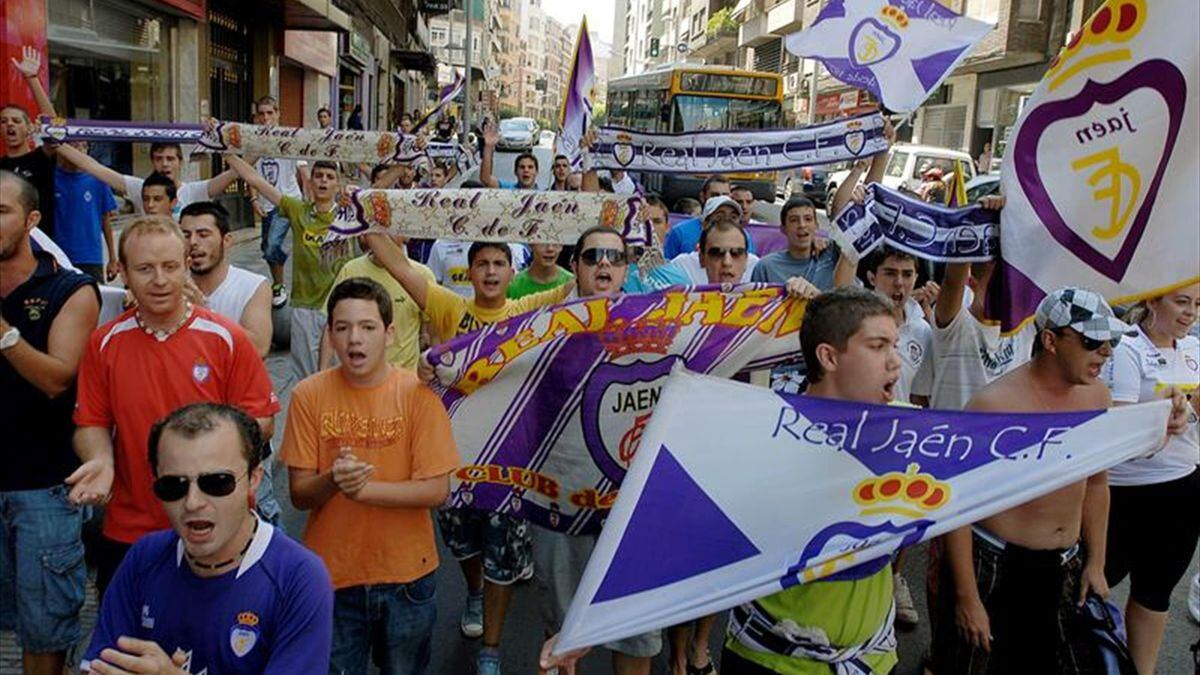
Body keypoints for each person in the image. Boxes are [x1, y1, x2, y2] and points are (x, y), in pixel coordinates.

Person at [540, 286, 903, 675]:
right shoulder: (762, 435)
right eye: (878, 346)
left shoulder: (915, 433)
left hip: (876, 661)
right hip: (770, 661)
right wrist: (588, 626)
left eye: (895, 345)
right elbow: (675, 536)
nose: (896, 363)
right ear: (829, 356)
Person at [932, 287, 1189, 674]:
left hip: (1064, 564)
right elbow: (958, 506)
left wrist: (1096, 562)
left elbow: (1097, 482)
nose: (1104, 353)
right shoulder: (995, 405)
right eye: (1091, 342)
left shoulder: (1096, 395)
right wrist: (968, 598)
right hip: (995, 565)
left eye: (1110, 342)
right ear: (1050, 340)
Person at [364, 232, 575, 675]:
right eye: (483, 264)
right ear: (470, 272)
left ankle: (492, 649)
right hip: (451, 458)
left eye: (500, 263)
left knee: (502, 554)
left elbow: (587, 287)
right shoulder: (449, 308)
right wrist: (368, 211)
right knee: (462, 542)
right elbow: (396, 263)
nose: (492, 272)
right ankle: (473, 592)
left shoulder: (524, 313)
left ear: (511, 273)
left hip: (508, 460)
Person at [69, 215, 280, 596]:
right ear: (123, 273)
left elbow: (262, 422)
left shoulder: (227, 338)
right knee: (128, 647)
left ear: (186, 266)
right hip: (130, 530)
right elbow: (91, 422)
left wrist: (207, 444)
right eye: (145, 269)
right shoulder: (104, 343)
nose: (160, 280)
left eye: (170, 266)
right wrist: (100, 460)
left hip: (217, 526)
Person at [282, 278, 458, 674]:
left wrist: (364, 490)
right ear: (329, 333)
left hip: (407, 574)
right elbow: (299, 493)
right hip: (330, 575)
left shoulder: (419, 394)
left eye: (367, 327)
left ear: (389, 332)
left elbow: (436, 490)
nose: (354, 340)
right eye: (342, 328)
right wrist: (332, 480)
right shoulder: (307, 395)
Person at [80, 403, 333, 674]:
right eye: (173, 486)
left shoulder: (298, 577)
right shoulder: (145, 558)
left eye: (217, 483)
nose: (193, 502)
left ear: (254, 479)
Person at [0, 169, 100, 675]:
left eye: (1, 211)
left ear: (31, 219)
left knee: (44, 634)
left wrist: (2, 330)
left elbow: (58, 379)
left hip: (43, 487)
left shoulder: (68, 288)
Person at [1099, 283, 1200, 674]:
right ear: (1153, 299)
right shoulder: (1127, 348)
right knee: (1094, 585)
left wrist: (1188, 411)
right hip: (1127, 493)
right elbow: (1120, 432)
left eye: (1196, 305)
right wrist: (1171, 416)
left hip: (1183, 488)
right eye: (1181, 302)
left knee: (1155, 594)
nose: (1190, 313)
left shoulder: (1193, 349)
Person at [224, 154, 355, 382]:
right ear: (310, 181)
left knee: (339, 376)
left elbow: (382, 194)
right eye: (319, 176)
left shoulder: (350, 213)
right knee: (306, 379)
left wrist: (408, 155)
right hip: (304, 307)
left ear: (338, 184)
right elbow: (256, 180)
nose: (323, 181)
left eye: (329, 177)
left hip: (340, 306)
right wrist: (228, 154)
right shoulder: (297, 210)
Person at [909, 197, 1036, 411]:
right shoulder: (954, 326)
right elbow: (952, 279)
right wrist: (976, 220)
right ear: (971, 283)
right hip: (955, 441)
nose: (1006, 289)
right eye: (997, 282)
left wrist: (1014, 211)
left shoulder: (1024, 327)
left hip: (1004, 443)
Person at [319, 232, 436, 372]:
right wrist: (322, 371)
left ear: (406, 235)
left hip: (405, 379)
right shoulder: (350, 271)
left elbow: (433, 333)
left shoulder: (422, 275)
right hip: (358, 377)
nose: (386, 235)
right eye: (380, 228)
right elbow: (330, 327)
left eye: (392, 228)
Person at [179, 201, 272, 358]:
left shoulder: (254, 286)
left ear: (226, 240)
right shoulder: (170, 286)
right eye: (186, 235)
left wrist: (203, 314)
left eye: (203, 235)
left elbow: (259, 348)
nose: (193, 242)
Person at [54, 141, 238, 218]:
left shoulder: (193, 191)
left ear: (180, 162)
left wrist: (262, 141)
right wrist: (56, 141)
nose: (165, 164)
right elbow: (92, 167)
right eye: (159, 159)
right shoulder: (140, 187)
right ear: (152, 161)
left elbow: (234, 173)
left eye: (170, 159)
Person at [252, 95, 310, 308]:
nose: (265, 117)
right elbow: (251, 173)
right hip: (267, 203)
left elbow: (304, 172)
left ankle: (289, 283)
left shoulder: (289, 139)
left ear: (277, 114)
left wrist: (309, 199)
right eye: (262, 113)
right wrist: (253, 199)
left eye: (270, 113)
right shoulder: (254, 141)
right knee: (267, 248)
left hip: (288, 202)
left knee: (273, 247)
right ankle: (278, 285)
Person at [4, 47, 57, 238]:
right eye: (4, 121)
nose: (9, 124)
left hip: (42, 246)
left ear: (29, 129)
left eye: (16, 121)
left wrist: (32, 79)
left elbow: (54, 128)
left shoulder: (41, 157)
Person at [52, 140, 119, 281]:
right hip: (58, 255)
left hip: (91, 256)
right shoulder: (51, 179)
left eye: (83, 146)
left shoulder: (98, 179)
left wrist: (113, 258)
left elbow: (105, 219)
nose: (79, 150)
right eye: (74, 145)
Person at [663, 176, 744, 259]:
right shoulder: (680, 232)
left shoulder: (744, 236)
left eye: (725, 195)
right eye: (715, 195)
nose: (721, 198)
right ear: (702, 196)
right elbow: (666, 265)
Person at [480, 119, 540, 190]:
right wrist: (488, 147)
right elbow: (486, 179)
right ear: (515, 172)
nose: (526, 170)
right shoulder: (507, 189)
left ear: (536, 172)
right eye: (522, 167)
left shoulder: (546, 195)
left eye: (530, 167)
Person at [508, 243, 572, 299]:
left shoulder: (572, 283)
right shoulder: (513, 286)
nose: (550, 249)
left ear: (562, 246)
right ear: (531, 244)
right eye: (543, 243)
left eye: (555, 243)